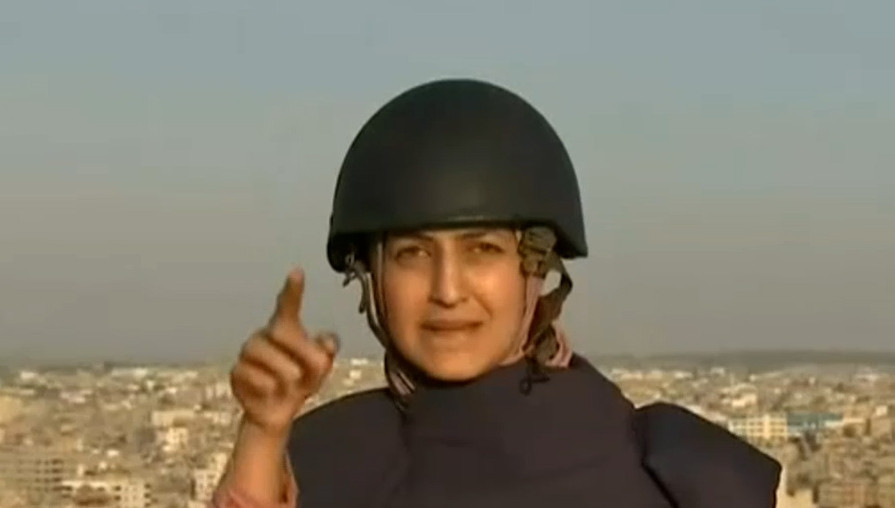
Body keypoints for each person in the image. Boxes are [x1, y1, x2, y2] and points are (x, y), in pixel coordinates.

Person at [210, 79, 782, 508]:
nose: (447, 291)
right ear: (370, 277)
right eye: (412, 254)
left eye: (482, 250)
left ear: (536, 266)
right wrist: (262, 433)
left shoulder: (682, 475)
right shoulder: (316, 462)